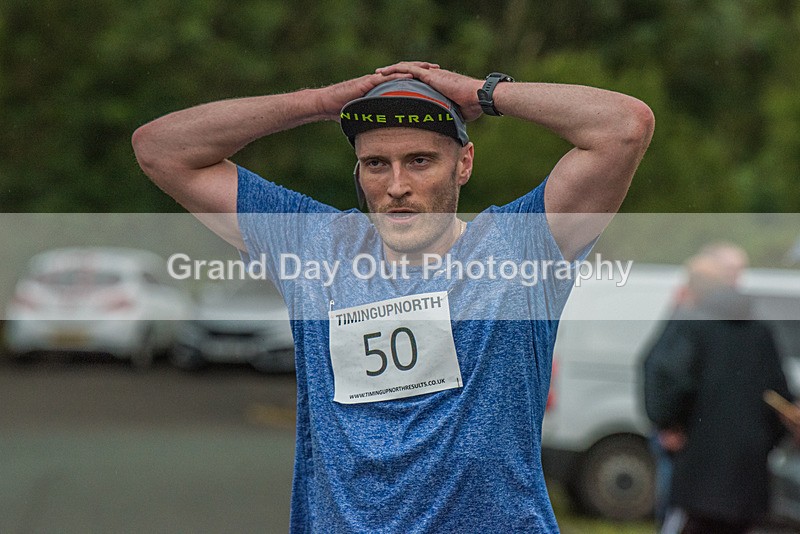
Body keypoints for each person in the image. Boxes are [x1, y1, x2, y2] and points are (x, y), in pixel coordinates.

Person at [132, 62, 654, 532]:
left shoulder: (521, 248)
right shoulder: (315, 249)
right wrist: (317, 104)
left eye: (421, 160)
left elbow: (623, 127)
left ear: (464, 164)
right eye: (376, 164)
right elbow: (161, 149)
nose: (396, 185)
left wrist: (483, 92)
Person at [644, 247, 792, 534]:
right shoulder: (762, 334)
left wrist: (668, 424)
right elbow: (779, 400)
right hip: (749, 478)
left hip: (697, 472)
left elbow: (668, 376)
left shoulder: (693, 325)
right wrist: (766, 441)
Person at [643, 243, 749, 528]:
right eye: (731, 273)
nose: (736, 281)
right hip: (684, 437)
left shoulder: (702, 317)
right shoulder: (691, 317)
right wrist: (668, 424)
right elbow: (662, 372)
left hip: (696, 437)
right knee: (678, 511)